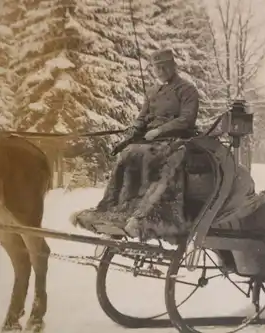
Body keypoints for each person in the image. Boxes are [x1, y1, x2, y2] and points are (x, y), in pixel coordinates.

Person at [72, 47, 201, 240]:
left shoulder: (186, 89)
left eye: (164, 67)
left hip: (177, 138)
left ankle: (147, 213)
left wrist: (160, 130)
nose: (160, 71)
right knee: (127, 154)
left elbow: (187, 119)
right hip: (151, 140)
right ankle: (114, 206)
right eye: (157, 68)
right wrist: (131, 132)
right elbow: (142, 118)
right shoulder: (153, 92)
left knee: (152, 156)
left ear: (173, 66)